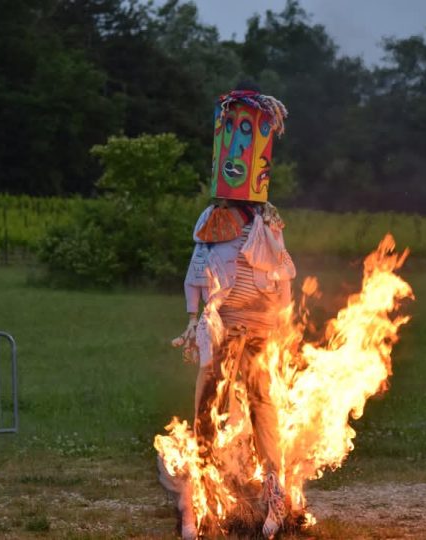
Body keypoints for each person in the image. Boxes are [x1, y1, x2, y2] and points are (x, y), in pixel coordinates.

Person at [168, 83, 295, 540]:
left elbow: (280, 277)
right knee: (206, 406)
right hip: (221, 330)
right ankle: (195, 501)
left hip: (258, 328)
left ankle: (276, 497)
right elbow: (196, 272)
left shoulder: (267, 222)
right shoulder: (211, 220)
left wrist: (279, 322)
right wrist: (191, 321)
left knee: (262, 404)